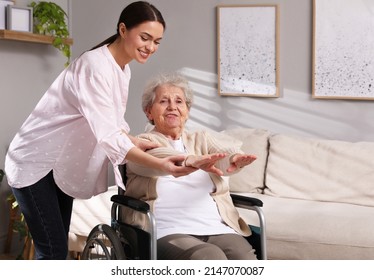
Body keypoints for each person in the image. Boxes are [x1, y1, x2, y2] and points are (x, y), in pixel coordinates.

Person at [4, 1, 195, 260]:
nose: (151, 47)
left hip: (61, 164)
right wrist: (163, 166)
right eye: (145, 37)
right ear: (123, 29)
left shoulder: (121, 69)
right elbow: (108, 136)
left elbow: (111, 122)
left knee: (55, 251)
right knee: (52, 252)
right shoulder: (94, 66)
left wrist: (134, 142)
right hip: (35, 163)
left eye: (157, 41)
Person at [124, 72, 258, 260]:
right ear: (149, 111)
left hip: (215, 226)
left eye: (179, 102)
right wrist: (190, 160)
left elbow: (222, 155)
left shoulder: (201, 138)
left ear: (187, 110)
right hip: (166, 229)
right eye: (163, 101)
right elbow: (158, 157)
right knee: (208, 257)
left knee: (244, 257)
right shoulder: (141, 143)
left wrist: (235, 158)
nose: (172, 107)